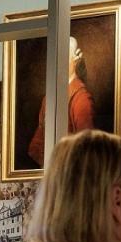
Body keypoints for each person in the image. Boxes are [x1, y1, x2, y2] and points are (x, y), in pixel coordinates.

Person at [27, 37, 96, 166]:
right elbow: (36, 145)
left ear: (75, 61)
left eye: (64, 58)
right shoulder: (48, 99)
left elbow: (87, 147)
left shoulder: (81, 98)